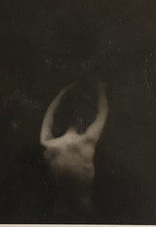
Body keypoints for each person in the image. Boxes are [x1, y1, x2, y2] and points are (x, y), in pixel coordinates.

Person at [40, 81, 108, 213]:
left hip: (60, 203)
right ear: (84, 122)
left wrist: (62, 92)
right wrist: (101, 90)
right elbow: (103, 113)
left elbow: (48, 118)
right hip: (83, 201)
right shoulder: (87, 141)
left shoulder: (49, 143)